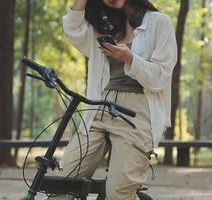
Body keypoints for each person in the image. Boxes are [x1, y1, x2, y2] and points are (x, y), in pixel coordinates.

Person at [54, 0, 177, 199]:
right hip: (100, 107)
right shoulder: (103, 26)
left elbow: (161, 76)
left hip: (137, 113)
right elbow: (72, 25)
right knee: (61, 184)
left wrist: (130, 58)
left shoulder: (159, 22)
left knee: (118, 194)